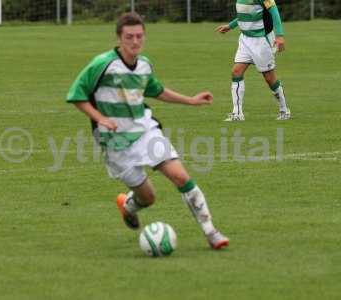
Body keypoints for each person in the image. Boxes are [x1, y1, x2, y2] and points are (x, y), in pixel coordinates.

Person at [66, 12, 229, 250]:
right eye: (129, 37)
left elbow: (157, 90)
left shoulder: (144, 65)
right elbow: (76, 95)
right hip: (115, 142)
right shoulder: (102, 64)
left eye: (139, 36)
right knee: (148, 197)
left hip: (145, 131)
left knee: (181, 177)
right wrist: (101, 118)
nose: (135, 42)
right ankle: (129, 206)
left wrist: (191, 100)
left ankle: (211, 232)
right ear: (119, 38)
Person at [216, 0, 291, 121]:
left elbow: (274, 11)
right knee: (236, 72)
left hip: (262, 41)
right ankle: (237, 113)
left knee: (269, 78)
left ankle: (284, 110)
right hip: (245, 39)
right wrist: (230, 26)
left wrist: (279, 35)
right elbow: (245, 15)